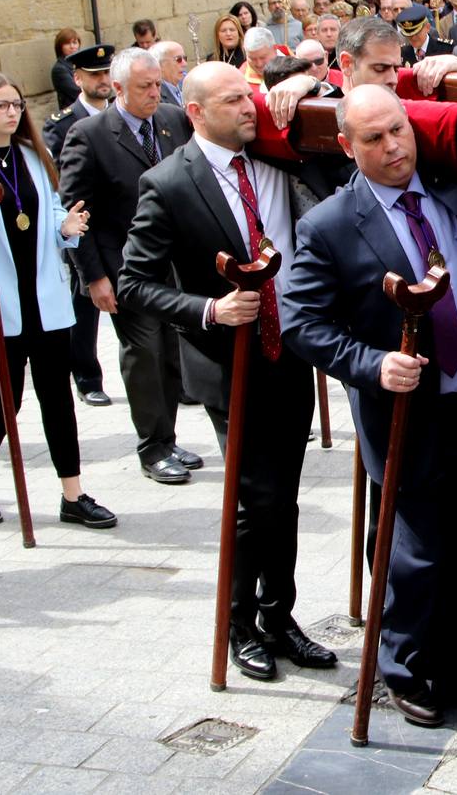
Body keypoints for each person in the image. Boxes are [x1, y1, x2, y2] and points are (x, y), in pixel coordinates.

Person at [282, 84, 457, 725]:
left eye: (399, 130)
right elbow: (301, 323)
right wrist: (372, 364)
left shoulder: (450, 187)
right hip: (402, 415)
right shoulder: (331, 223)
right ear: (346, 146)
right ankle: (405, 668)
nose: (393, 147)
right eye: (373, 139)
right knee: (414, 552)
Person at [117, 61, 333, 681]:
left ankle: (280, 616)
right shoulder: (168, 182)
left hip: (288, 349)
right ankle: (239, 623)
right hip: (226, 361)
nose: (248, 108)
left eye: (251, 96)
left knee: (283, 495)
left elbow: (346, 107)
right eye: (234, 100)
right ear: (196, 112)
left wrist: (306, 85)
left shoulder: (278, 156)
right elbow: (135, 281)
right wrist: (208, 308)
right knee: (251, 496)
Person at [0, 72, 113, 530]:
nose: (12, 112)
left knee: (57, 396)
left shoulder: (31, 155)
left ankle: (72, 493)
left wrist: (66, 226)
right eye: (2, 105)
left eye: (17, 105)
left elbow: (51, 209)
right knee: (5, 399)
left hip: (43, 295)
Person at [57, 46, 202, 485]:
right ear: (117, 88)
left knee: (173, 356)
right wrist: (94, 277)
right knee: (144, 356)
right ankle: (152, 447)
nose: (155, 93)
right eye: (144, 87)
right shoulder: (90, 135)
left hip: (176, 265)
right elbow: (76, 214)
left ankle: (169, 436)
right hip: (125, 267)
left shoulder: (173, 121)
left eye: (158, 83)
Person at [41, 43, 117, 410]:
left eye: (107, 73)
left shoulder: (122, 114)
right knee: (85, 301)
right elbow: (63, 184)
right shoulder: (63, 124)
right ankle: (87, 377)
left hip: (123, 228)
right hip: (85, 226)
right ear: (77, 79)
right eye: (95, 75)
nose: (103, 81)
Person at [51, 28, 82, 110]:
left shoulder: (80, 63)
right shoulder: (59, 69)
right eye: (68, 43)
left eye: (75, 43)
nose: (72, 46)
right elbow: (76, 92)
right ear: (60, 46)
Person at [150, 41, 188, 107]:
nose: (185, 64)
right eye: (178, 59)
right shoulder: (156, 96)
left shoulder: (186, 85)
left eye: (185, 58)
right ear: (160, 65)